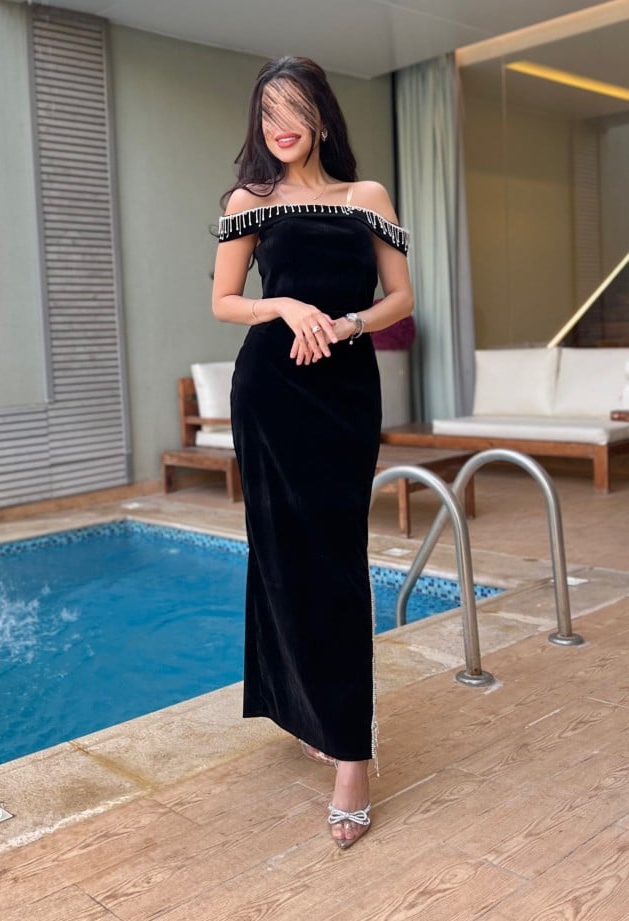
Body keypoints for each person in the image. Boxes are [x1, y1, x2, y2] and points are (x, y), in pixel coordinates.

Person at [212, 55, 413, 849]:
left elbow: (400, 296)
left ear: (322, 115)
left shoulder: (368, 198)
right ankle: (309, 715)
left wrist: (349, 322)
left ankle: (351, 755)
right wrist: (286, 305)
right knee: (281, 556)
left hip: (345, 394)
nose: (280, 125)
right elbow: (224, 300)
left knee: (338, 564)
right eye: (267, 112)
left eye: (293, 108)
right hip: (272, 393)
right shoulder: (248, 202)